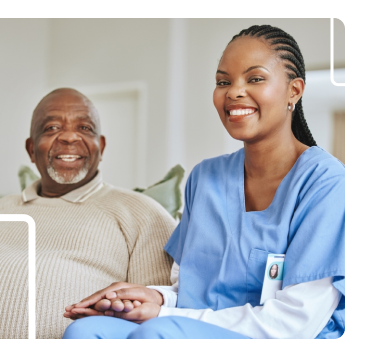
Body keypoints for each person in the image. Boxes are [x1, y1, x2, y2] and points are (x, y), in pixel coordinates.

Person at [62, 25, 345, 339]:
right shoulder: (205, 178)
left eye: (255, 78)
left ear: (294, 90)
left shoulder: (325, 183)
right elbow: (192, 292)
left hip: (281, 334)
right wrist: (155, 298)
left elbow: (296, 322)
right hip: (190, 325)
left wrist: (166, 314)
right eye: (223, 81)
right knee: (85, 331)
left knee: (156, 332)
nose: (234, 91)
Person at [0, 88, 176, 339]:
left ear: (101, 146)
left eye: (85, 128)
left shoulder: (144, 214)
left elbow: (159, 316)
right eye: (51, 127)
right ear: (31, 149)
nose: (69, 137)